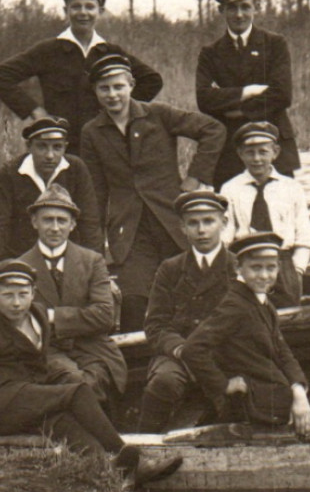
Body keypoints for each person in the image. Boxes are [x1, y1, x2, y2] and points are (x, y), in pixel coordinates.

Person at [0, 260, 182, 485]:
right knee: (77, 391)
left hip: (29, 398)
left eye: (22, 294)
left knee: (62, 422)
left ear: (33, 293)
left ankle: (108, 471)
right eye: (7, 295)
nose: (16, 303)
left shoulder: (39, 315)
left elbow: (38, 364)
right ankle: (129, 456)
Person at [79, 52, 226, 332]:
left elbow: (213, 129)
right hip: (130, 231)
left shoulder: (158, 114)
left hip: (172, 220)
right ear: (95, 92)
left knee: (190, 292)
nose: (112, 95)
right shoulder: (92, 132)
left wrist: (194, 179)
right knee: (134, 300)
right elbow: (95, 195)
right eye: (104, 88)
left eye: (118, 86)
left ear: (131, 85)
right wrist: (95, 255)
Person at [0, 0, 163, 153]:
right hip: (60, 145)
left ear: (100, 12)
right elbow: (0, 76)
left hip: (105, 143)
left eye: (90, 7)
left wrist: (121, 112)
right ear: (66, 11)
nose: (83, 12)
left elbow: (152, 80)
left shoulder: (110, 51)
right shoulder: (49, 50)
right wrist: (36, 112)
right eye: (76, 7)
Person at [180, 232, 310, 435]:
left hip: (272, 394)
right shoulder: (235, 305)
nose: (264, 275)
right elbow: (192, 349)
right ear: (238, 268)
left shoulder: (263, 303)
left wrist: (298, 390)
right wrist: (223, 385)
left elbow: (282, 352)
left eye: (271, 268)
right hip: (256, 404)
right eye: (255, 268)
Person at [0, 115, 104, 292]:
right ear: (29, 147)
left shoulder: (76, 169)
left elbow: (89, 223)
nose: (50, 155)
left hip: (66, 260)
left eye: (57, 147)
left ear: (65, 148)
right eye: (42, 147)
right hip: (20, 260)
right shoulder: (11, 173)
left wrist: (98, 273)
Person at [15, 185, 126, 407]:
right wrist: (81, 317)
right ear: (34, 222)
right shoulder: (20, 267)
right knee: (75, 381)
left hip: (93, 347)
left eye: (62, 220)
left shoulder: (92, 261)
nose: (55, 228)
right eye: (48, 220)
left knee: (96, 377)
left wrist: (52, 316)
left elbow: (104, 315)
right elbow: (20, 322)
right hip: (47, 350)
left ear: (73, 225)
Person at [138, 189, 238, 432]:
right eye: (193, 223)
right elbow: (156, 325)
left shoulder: (238, 268)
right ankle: (144, 446)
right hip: (179, 353)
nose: (201, 230)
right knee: (164, 381)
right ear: (182, 227)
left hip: (226, 353)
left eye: (208, 221)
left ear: (223, 223)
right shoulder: (170, 269)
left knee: (243, 390)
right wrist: (182, 350)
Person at [195, 0, 299, 185]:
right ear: (221, 10)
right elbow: (204, 99)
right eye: (232, 7)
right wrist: (246, 91)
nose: (239, 14)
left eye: (245, 6)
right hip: (230, 150)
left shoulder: (275, 44)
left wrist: (239, 111)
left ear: (256, 7)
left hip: (274, 141)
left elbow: (282, 94)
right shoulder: (211, 52)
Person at [218, 121, 310, 307]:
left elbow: (304, 235)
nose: (257, 159)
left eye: (263, 152)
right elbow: (225, 234)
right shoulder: (230, 188)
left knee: (287, 314)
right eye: (249, 152)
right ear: (240, 154)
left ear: (275, 152)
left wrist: (297, 270)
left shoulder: (291, 187)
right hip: (246, 261)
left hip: (283, 262)